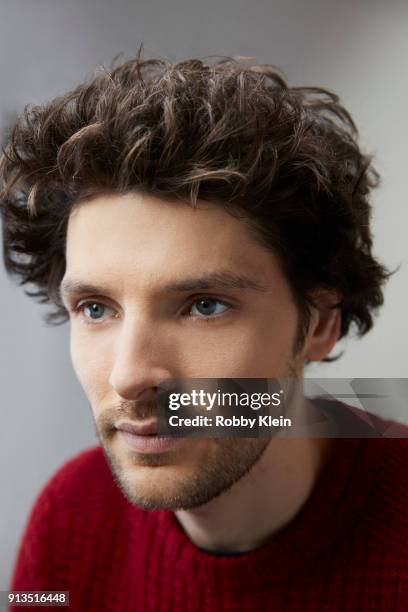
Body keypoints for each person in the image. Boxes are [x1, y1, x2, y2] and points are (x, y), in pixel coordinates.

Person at [1, 53, 407, 611]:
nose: (130, 376)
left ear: (320, 323)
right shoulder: (69, 518)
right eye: (96, 309)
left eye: (204, 305)